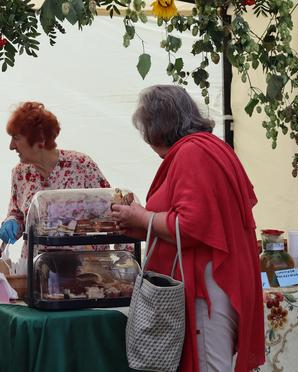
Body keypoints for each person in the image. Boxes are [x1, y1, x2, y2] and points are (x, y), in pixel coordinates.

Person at [111, 85, 265, 372]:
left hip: (206, 279)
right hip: (220, 274)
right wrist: (139, 219)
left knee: (209, 365)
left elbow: (193, 226)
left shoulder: (191, 153)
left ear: (157, 128)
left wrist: (144, 218)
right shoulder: (211, 146)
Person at [0, 101, 110, 255]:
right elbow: (18, 213)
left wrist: (122, 263)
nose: (11, 146)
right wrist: (12, 222)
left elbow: (113, 212)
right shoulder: (20, 174)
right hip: (37, 269)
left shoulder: (80, 166)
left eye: (16, 138)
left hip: (84, 271)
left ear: (40, 140)